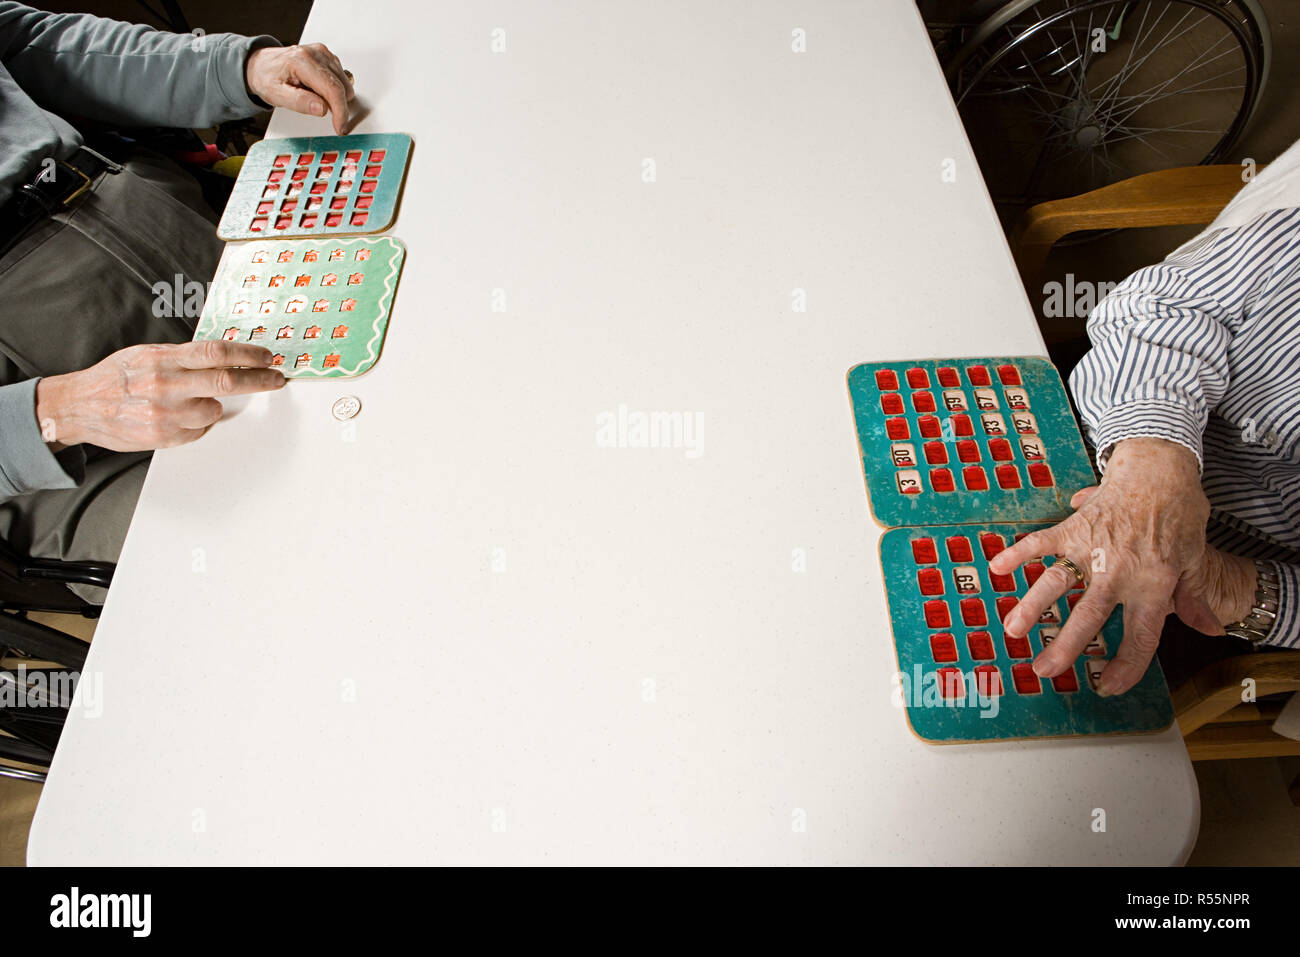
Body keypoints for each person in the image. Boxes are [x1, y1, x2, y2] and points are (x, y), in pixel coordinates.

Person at [0, 3, 354, 599]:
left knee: (397, 395)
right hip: (63, 442)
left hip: (130, 212)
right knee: (297, 569)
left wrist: (236, 68)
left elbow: (32, 44)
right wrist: (58, 411)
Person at [990, 139, 1300, 694]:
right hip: (1117, 428)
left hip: (1224, 591)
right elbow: (1174, 304)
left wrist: (1245, 592)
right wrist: (1153, 463)